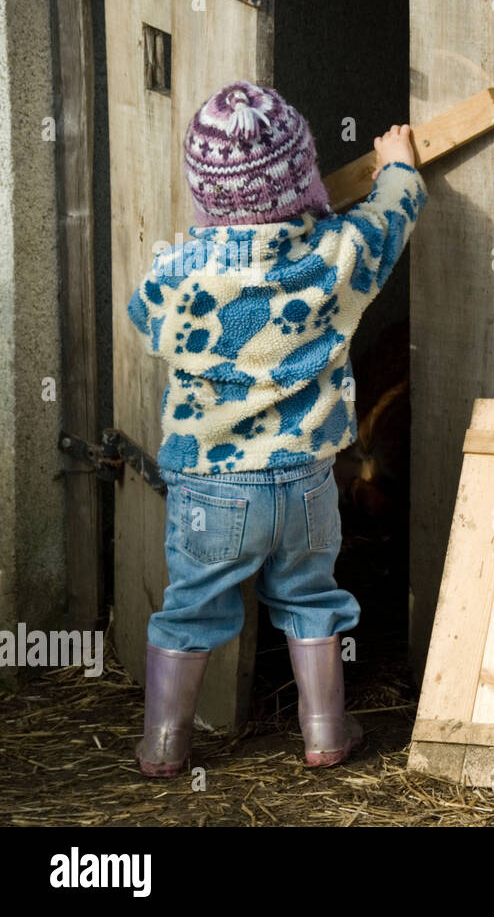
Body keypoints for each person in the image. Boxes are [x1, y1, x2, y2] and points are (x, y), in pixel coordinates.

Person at [128, 80, 426, 776]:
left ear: (206, 194)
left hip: (212, 489)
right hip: (305, 484)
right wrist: (398, 165)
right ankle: (325, 731)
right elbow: (394, 215)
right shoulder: (335, 256)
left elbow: (146, 320)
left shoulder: (176, 277)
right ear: (302, 178)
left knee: (189, 611)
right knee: (310, 600)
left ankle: (165, 743)